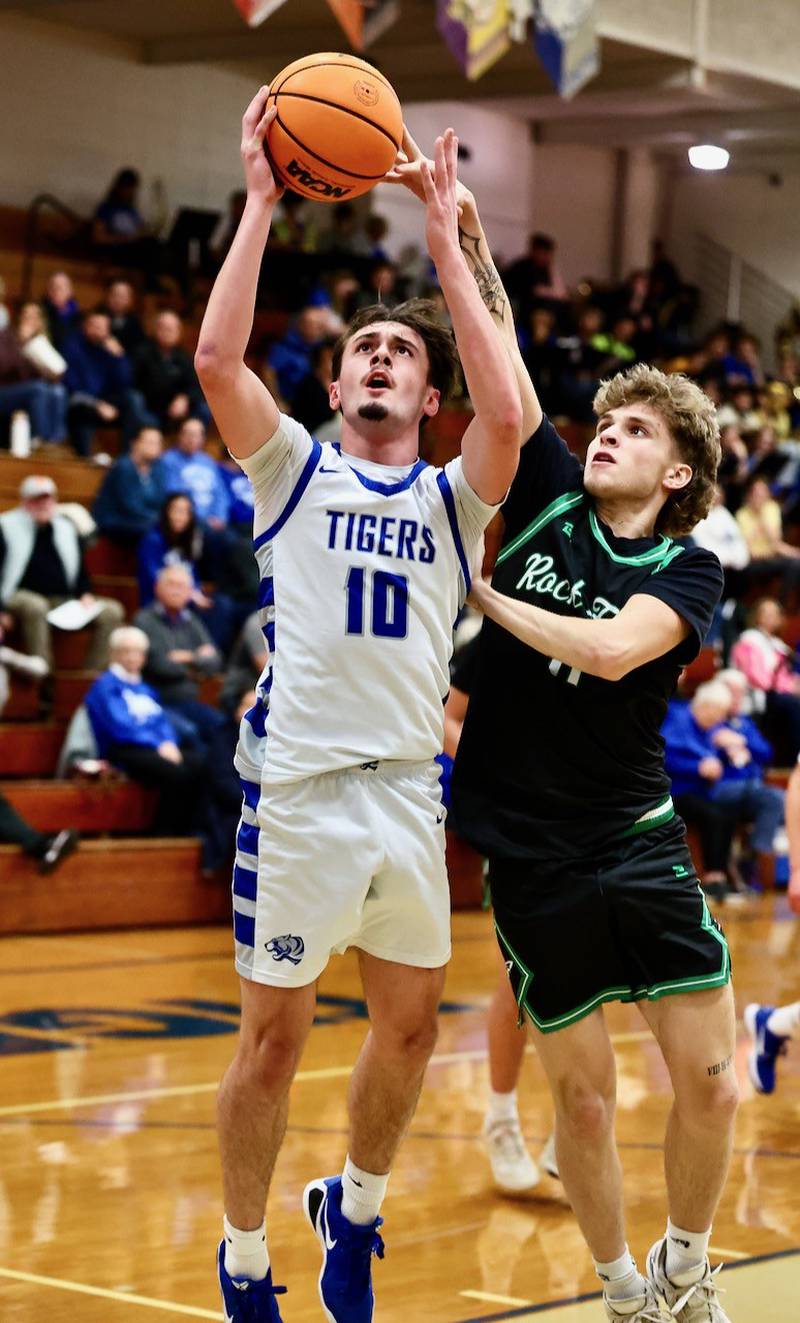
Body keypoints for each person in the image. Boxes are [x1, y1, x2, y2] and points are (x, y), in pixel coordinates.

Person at [391, 135, 733, 1322]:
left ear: (677, 475)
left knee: (710, 1082)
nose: (608, 435)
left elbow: (605, 646)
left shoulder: (685, 574)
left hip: (631, 835)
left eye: (637, 432)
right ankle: (624, 1288)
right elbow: (500, 362)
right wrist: (461, 241)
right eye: (606, 422)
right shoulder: (540, 488)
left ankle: (689, 1258)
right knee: (579, 1102)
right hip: (528, 852)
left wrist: (472, 596)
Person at [194, 91, 521, 1323]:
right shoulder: (290, 470)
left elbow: (506, 416)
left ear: (425, 398)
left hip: (403, 795)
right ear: (333, 390)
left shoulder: (451, 498)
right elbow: (218, 361)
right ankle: (238, 1252)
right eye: (362, 352)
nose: (380, 358)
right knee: (270, 1047)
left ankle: (356, 1208)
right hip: (297, 799)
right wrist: (265, 199)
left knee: (408, 1032)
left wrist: (446, 244)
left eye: (402, 354)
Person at [84, 626, 206, 836]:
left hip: (154, 748)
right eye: (126, 651)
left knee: (200, 763)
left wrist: (168, 742)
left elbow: (161, 720)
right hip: (123, 748)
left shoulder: (144, 687)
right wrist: (158, 745)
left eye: (138, 652)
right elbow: (119, 726)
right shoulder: (105, 685)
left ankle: (187, 832)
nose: (132, 657)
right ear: (114, 654)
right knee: (175, 773)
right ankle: (163, 834)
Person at [0, 475, 124, 672]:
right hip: (17, 597)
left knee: (112, 611)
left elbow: (80, 571)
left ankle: (85, 682)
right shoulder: (6, 526)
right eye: (37, 499)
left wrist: (85, 593)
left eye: (48, 499)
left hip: (62, 600)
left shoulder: (65, 527)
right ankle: (43, 676)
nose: (43, 504)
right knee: (36, 605)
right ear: (24, 501)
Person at [134, 564, 224, 747]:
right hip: (158, 702)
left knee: (223, 726)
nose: (176, 590)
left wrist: (188, 658)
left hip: (189, 702)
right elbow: (160, 666)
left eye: (182, 586)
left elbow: (216, 661)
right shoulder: (144, 620)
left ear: (190, 591)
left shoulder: (192, 621)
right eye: (171, 584)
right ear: (157, 587)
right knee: (190, 733)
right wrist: (197, 665)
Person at [731, 598, 800, 762]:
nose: (772, 617)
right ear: (757, 616)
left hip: (779, 694)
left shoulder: (779, 644)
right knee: (792, 704)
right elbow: (757, 678)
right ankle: (792, 761)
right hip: (758, 697)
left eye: (775, 614)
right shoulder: (748, 639)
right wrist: (791, 687)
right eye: (766, 613)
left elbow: (789, 674)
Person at [127, 310, 210, 439]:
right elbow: (133, 384)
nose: (167, 333)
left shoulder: (184, 357)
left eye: (172, 329)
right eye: (164, 328)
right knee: (134, 400)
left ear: (179, 332)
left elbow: (196, 386)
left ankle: (193, 452)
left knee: (203, 409)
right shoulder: (142, 353)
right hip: (150, 408)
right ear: (156, 330)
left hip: (176, 412)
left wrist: (185, 398)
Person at [63, 307, 133, 457]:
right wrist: (96, 404)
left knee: (132, 401)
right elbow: (71, 385)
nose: (97, 330)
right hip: (81, 400)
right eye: (93, 326)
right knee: (81, 411)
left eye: (102, 327)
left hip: (106, 400)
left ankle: (126, 457)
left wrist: (119, 357)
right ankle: (85, 459)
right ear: (85, 326)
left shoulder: (110, 349)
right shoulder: (73, 346)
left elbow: (125, 382)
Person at [92, 425, 167, 544]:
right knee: (154, 531)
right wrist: (160, 520)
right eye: (150, 442)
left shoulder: (158, 468)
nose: (155, 447)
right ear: (134, 443)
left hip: (142, 520)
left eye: (158, 443)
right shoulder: (123, 467)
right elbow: (130, 506)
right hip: (116, 520)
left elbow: (162, 499)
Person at [160, 418, 230, 528]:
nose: (193, 439)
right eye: (189, 434)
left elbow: (220, 493)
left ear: (203, 439)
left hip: (214, 522)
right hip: (188, 521)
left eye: (197, 435)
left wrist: (220, 517)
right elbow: (174, 493)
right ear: (180, 435)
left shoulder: (208, 461)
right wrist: (204, 520)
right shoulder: (169, 460)